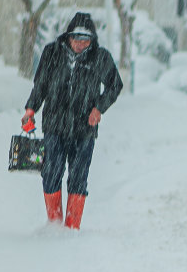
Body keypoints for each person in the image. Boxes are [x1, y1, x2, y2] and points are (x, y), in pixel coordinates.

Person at [22, 12, 123, 229]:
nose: (80, 44)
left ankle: (71, 227)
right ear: (68, 36)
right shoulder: (51, 53)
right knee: (50, 173)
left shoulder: (100, 58)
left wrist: (99, 108)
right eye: (76, 39)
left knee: (78, 179)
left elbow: (115, 85)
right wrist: (30, 109)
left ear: (92, 40)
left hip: (84, 129)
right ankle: (54, 223)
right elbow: (40, 86)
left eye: (85, 40)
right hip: (54, 125)